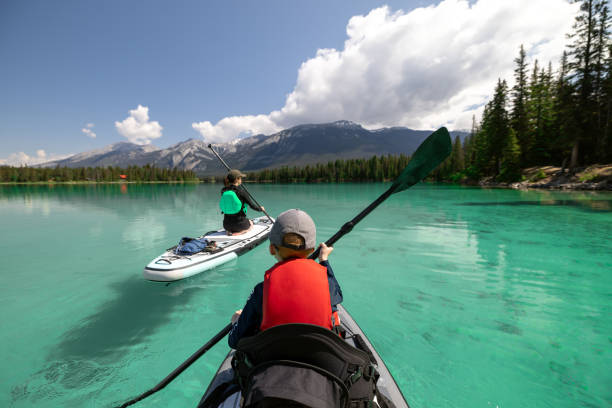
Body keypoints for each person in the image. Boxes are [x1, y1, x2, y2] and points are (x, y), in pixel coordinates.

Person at [228, 209, 343, 349]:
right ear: (312, 249)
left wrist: (237, 321)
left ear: (271, 249)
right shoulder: (327, 284)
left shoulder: (261, 291)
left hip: (271, 361)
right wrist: (324, 260)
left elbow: (234, 341)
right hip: (319, 359)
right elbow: (337, 293)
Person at [220, 169, 265, 235]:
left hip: (226, 225)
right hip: (240, 225)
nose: (241, 180)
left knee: (234, 221)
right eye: (240, 178)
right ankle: (241, 232)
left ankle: (230, 231)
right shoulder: (241, 191)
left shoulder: (223, 191)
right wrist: (260, 209)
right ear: (237, 179)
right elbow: (252, 205)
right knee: (251, 223)